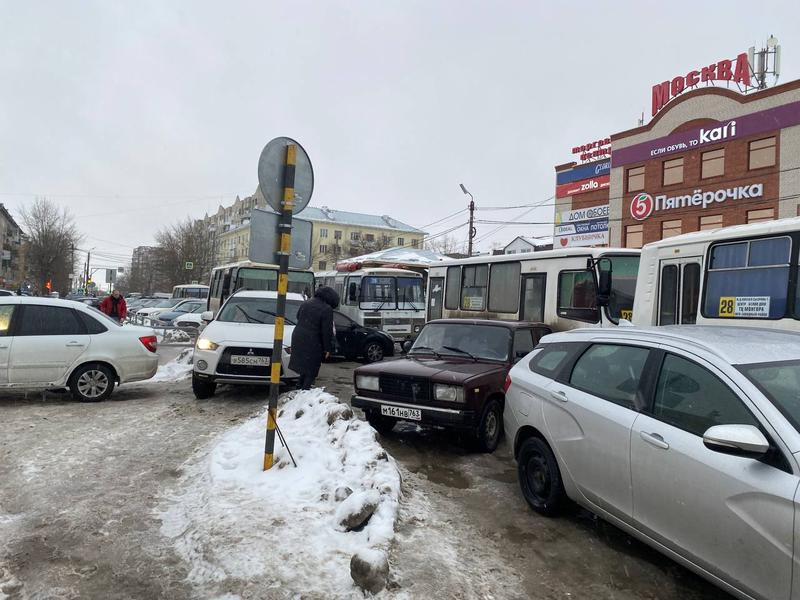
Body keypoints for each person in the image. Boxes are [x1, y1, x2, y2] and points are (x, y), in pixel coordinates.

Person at [288, 286, 339, 390]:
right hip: (313, 341)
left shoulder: (306, 303)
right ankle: (305, 391)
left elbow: (298, 317)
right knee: (311, 370)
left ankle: (299, 388)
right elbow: (327, 331)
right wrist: (328, 348)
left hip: (298, 337)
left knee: (304, 368)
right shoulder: (326, 309)